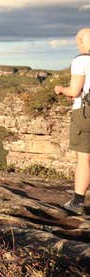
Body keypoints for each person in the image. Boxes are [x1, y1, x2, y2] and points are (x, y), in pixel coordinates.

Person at [55, 28, 90, 215]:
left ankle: (77, 202)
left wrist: (61, 89)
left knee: (84, 158)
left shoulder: (81, 60)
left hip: (86, 115)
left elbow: (75, 91)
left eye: (79, 41)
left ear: (82, 43)